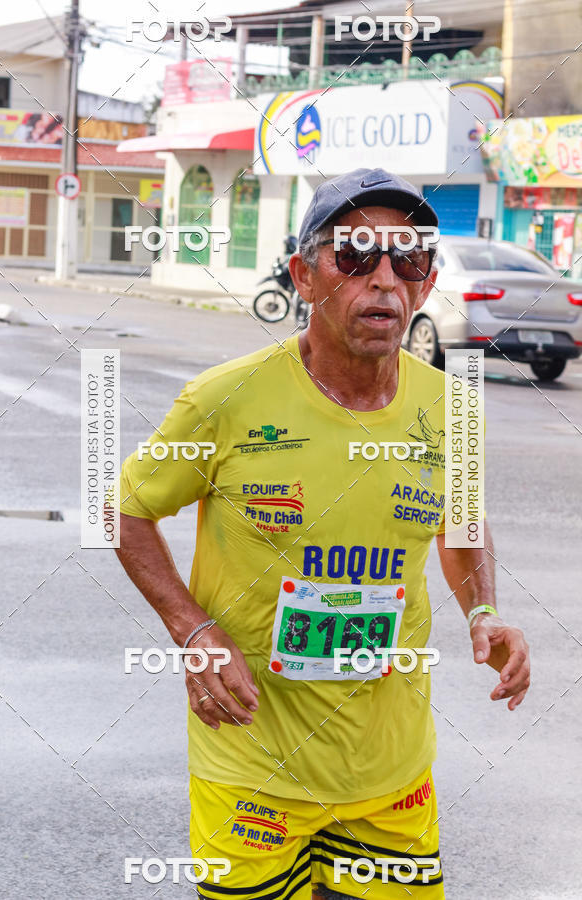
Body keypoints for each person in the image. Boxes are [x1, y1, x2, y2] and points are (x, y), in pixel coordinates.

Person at [116, 167, 530, 899]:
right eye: (356, 255)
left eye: (408, 260)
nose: (384, 279)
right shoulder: (226, 399)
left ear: (427, 286)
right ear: (305, 276)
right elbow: (122, 510)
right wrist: (192, 629)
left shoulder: (452, 408)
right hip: (252, 770)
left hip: (391, 773)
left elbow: (462, 522)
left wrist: (484, 611)